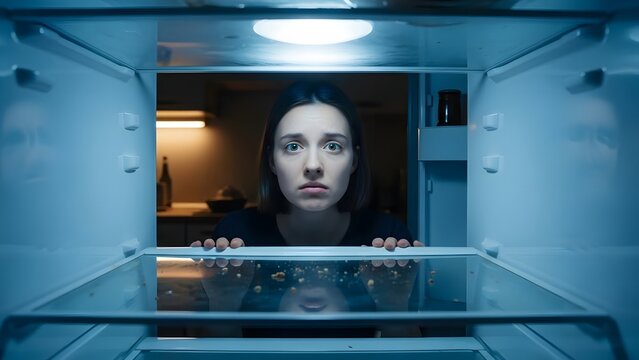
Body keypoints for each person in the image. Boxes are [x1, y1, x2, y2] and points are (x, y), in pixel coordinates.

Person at [191, 80, 422, 250]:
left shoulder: (388, 238)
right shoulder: (235, 236)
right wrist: (223, 296)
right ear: (272, 160)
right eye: (293, 146)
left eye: (332, 146)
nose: (313, 166)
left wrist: (394, 297)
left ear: (354, 160)